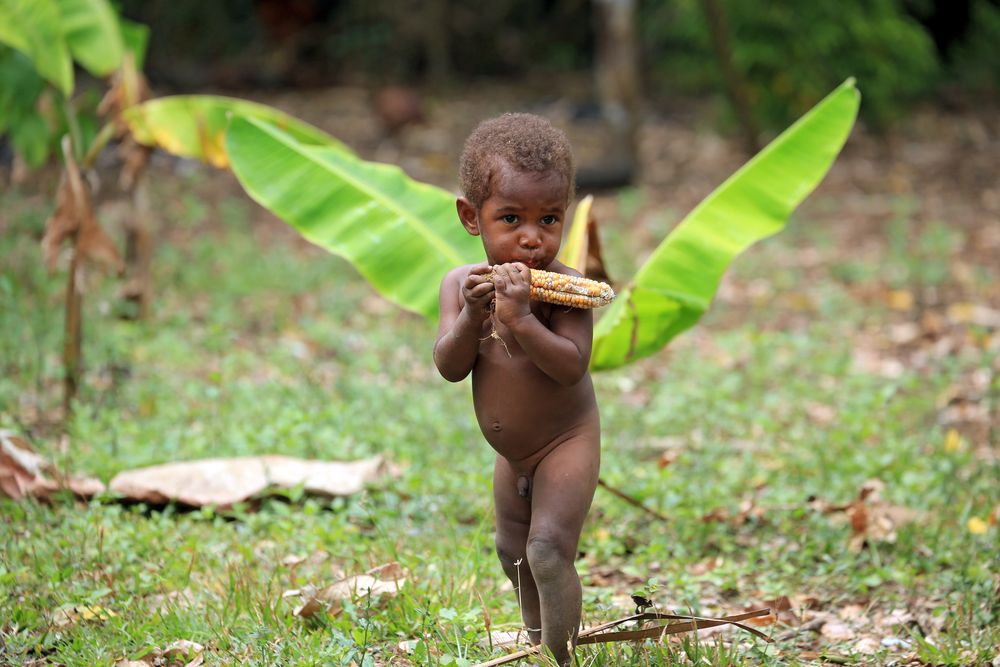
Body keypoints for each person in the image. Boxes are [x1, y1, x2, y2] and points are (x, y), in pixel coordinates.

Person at [433, 113, 600, 666]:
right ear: (470, 217)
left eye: (549, 219)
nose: (532, 239)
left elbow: (572, 366)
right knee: (513, 552)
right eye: (511, 218)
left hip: (564, 442)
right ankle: (537, 641)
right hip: (512, 455)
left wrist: (523, 319)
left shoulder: (568, 290)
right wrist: (472, 317)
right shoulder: (461, 287)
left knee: (549, 551)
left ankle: (563, 656)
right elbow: (450, 367)